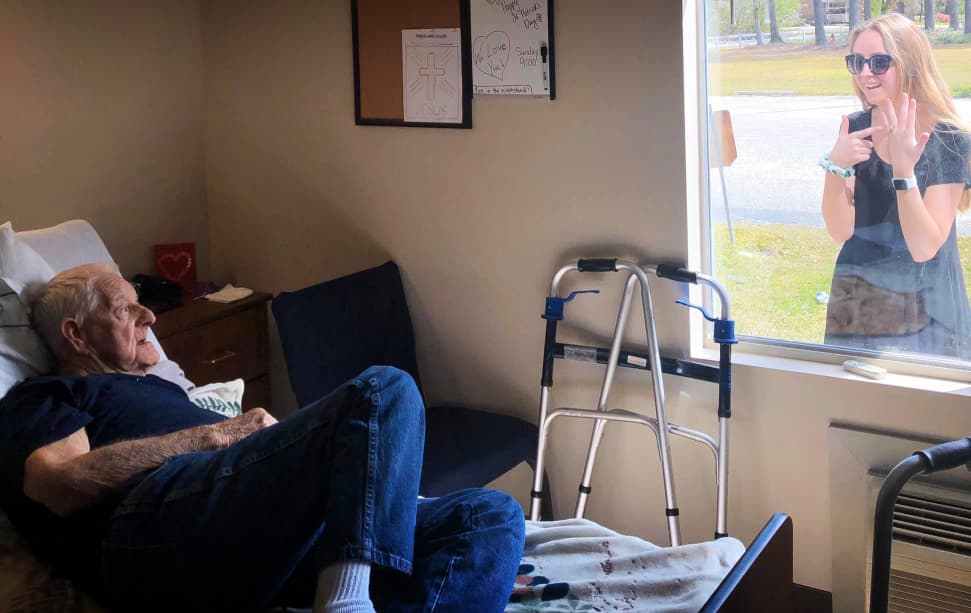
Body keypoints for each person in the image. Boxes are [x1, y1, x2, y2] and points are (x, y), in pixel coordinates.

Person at [0, 263, 525, 613]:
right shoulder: (47, 396)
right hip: (152, 531)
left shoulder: (155, 386)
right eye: (125, 310)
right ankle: (346, 600)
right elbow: (61, 485)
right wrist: (221, 434)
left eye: (142, 305)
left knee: (489, 516)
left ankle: (348, 588)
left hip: (245, 535)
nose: (150, 317)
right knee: (382, 389)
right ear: (74, 334)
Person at [820, 13, 971, 359]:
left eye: (879, 62)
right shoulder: (856, 128)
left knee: (920, 412)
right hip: (858, 304)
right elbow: (840, 230)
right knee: (851, 408)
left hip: (928, 312)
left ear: (910, 65)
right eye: (856, 62)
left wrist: (904, 170)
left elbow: (923, 247)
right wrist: (834, 167)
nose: (864, 73)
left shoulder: (948, 139)